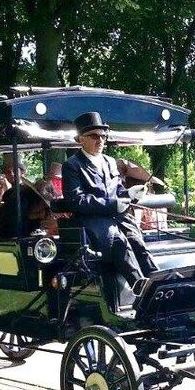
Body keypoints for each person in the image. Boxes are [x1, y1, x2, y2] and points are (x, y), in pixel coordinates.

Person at [54, 111, 157, 288]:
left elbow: (118, 191)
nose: (100, 140)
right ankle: (140, 286)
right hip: (92, 221)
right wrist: (112, 205)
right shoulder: (72, 165)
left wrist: (131, 194)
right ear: (81, 139)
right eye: (94, 135)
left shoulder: (110, 162)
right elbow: (76, 200)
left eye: (103, 135)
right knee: (119, 241)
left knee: (137, 242)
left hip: (118, 217)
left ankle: (159, 281)